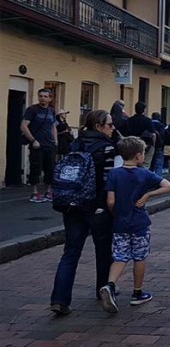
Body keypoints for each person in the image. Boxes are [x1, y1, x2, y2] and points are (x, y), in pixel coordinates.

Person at [49, 110, 117, 315]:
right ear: (98, 126)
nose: (113, 128)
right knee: (104, 251)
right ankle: (103, 289)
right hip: (96, 206)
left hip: (72, 204)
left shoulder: (75, 145)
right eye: (110, 125)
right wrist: (106, 205)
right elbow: (108, 181)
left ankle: (59, 298)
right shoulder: (107, 148)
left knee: (70, 252)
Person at [99, 136, 170, 313]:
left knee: (120, 256)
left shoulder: (114, 174)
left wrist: (115, 212)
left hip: (120, 222)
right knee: (139, 257)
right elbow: (169, 186)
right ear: (138, 155)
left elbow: (110, 201)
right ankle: (137, 293)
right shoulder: (144, 173)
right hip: (139, 222)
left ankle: (110, 285)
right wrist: (148, 195)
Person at [21, 88, 58, 202]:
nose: (43, 98)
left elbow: (53, 126)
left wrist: (55, 141)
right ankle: (34, 193)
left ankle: (48, 192)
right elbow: (23, 126)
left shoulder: (51, 111)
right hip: (37, 144)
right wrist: (33, 140)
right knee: (36, 167)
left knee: (50, 168)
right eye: (41, 96)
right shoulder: (32, 110)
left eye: (45, 96)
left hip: (49, 144)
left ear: (50, 98)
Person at [126, 102, 156, 169]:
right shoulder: (148, 120)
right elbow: (153, 134)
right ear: (144, 110)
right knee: (146, 163)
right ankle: (143, 176)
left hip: (132, 144)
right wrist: (153, 145)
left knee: (133, 163)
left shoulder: (129, 120)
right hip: (146, 144)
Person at [150, 112, 166, 177]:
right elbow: (164, 136)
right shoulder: (161, 125)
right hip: (159, 146)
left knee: (150, 164)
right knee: (158, 165)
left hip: (150, 146)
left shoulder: (149, 124)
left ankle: (149, 180)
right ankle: (157, 181)